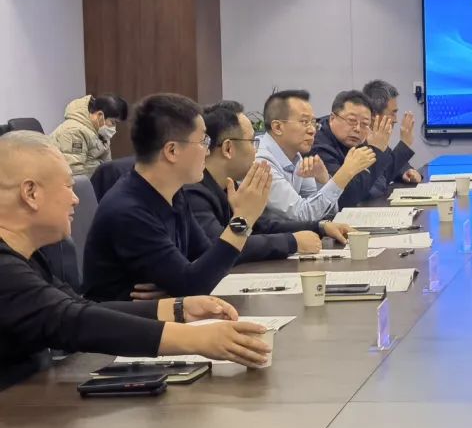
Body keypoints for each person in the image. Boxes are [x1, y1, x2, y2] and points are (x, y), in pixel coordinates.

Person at [0, 131, 270, 383]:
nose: (75, 199)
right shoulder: (5, 269)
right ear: (31, 193)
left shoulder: (29, 258)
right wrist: (195, 339)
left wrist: (178, 308)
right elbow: (72, 320)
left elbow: (79, 305)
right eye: (68, 186)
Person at [82, 94, 272, 301]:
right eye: (203, 141)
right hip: (125, 320)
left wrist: (179, 286)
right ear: (172, 150)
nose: (208, 151)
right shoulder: (128, 210)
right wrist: (243, 220)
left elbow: (207, 259)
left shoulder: (173, 193)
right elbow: (193, 283)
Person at [187, 101, 355, 263]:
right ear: (228, 149)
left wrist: (320, 227)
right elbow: (221, 247)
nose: (256, 150)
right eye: (252, 141)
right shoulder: (194, 193)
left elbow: (259, 227)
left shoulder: (226, 186)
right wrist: (292, 242)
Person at [256, 90, 376, 221]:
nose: (312, 130)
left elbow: (325, 211)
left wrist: (323, 180)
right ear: (278, 127)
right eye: (304, 122)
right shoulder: (261, 163)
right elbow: (302, 214)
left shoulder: (296, 157)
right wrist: (345, 173)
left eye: (313, 122)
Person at [312, 90, 397, 207]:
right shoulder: (318, 146)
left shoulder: (358, 139)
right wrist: (375, 151)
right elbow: (346, 197)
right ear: (332, 118)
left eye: (364, 124)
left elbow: (379, 183)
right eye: (351, 121)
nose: (357, 129)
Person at [50, 93, 129, 178]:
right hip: (63, 181)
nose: (114, 127)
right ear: (100, 115)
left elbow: (108, 165)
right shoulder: (74, 131)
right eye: (113, 122)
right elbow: (75, 172)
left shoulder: (100, 131)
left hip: (92, 180)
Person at [362, 80, 422, 187]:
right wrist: (404, 144)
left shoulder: (379, 139)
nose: (396, 120)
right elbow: (378, 184)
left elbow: (389, 163)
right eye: (393, 113)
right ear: (374, 115)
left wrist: (407, 172)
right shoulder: (358, 142)